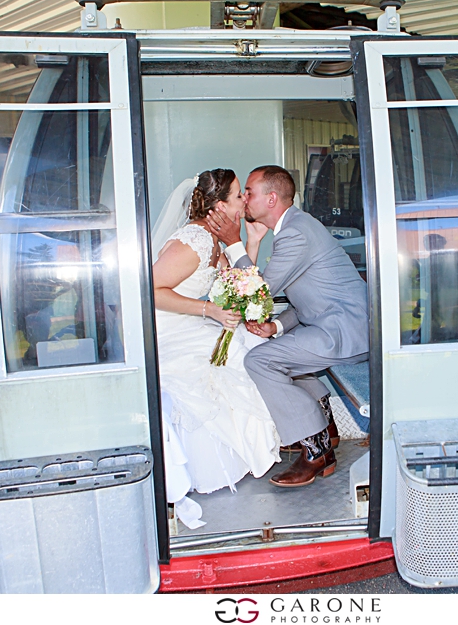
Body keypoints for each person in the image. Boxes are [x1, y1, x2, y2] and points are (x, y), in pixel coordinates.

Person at [208, 165, 369, 488]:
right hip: (336, 324)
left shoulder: (295, 232)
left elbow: (260, 291)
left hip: (344, 332)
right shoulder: (295, 226)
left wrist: (233, 242)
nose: (244, 198)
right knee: (275, 350)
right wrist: (277, 328)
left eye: (249, 192)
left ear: (271, 199)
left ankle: (316, 450)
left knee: (260, 360)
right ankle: (326, 430)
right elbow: (307, 297)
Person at [151, 168, 281, 527]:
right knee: (238, 358)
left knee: (251, 344)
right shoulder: (193, 241)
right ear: (220, 205)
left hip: (192, 321)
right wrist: (208, 310)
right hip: (169, 330)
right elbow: (152, 291)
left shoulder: (214, 240)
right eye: (239, 195)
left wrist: (250, 242)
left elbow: (242, 288)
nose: (244, 200)